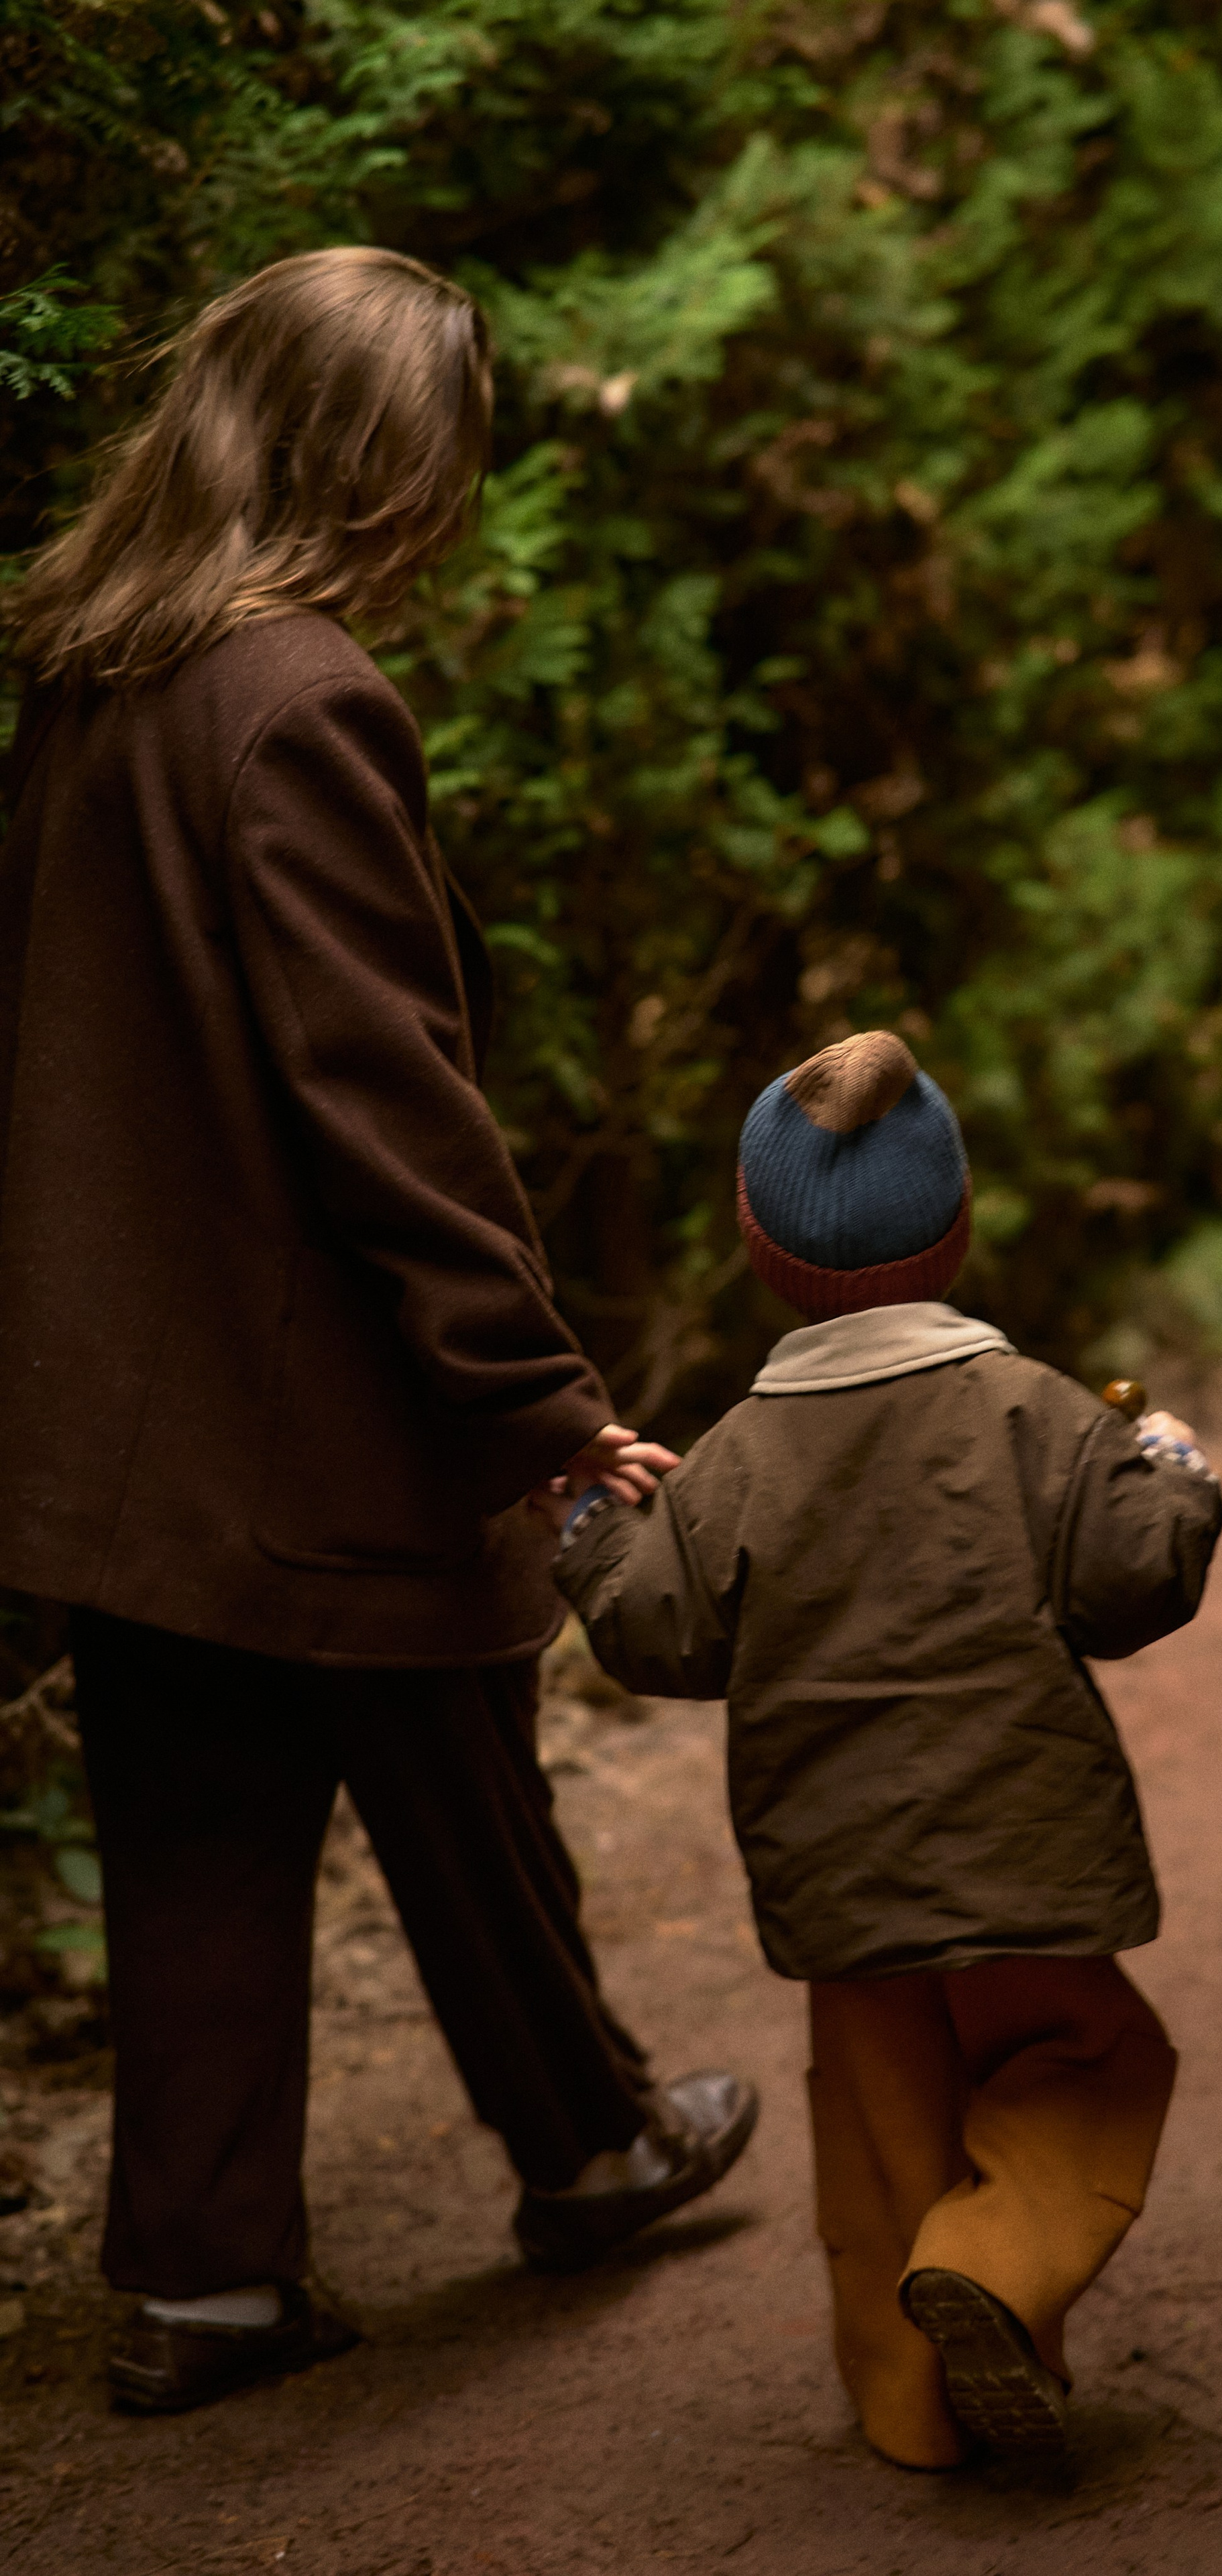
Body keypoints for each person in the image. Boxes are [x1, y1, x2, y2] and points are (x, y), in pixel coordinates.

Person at [0, 247, 755, 2416]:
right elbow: (384, 1095)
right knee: (454, 1752)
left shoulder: (93, 671)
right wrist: (535, 1398)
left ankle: (213, 2284)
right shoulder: (302, 695)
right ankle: (592, 2141)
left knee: (202, 1824)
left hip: (130, 1429)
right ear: (373, 463)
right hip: (313, 1399)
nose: (454, 502)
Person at [553, 1030, 1222, 2467]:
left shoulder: (731, 1458)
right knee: (1087, 2056)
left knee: (876, 2139)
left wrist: (586, 1525)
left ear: (759, 1251)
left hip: (834, 1872)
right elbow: (1130, 1583)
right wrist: (1168, 1465)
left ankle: (915, 2409)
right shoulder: (1032, 1412)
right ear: (958, 1221)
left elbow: (654, 1631)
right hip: (1020, 1847)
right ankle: (992, 2265)